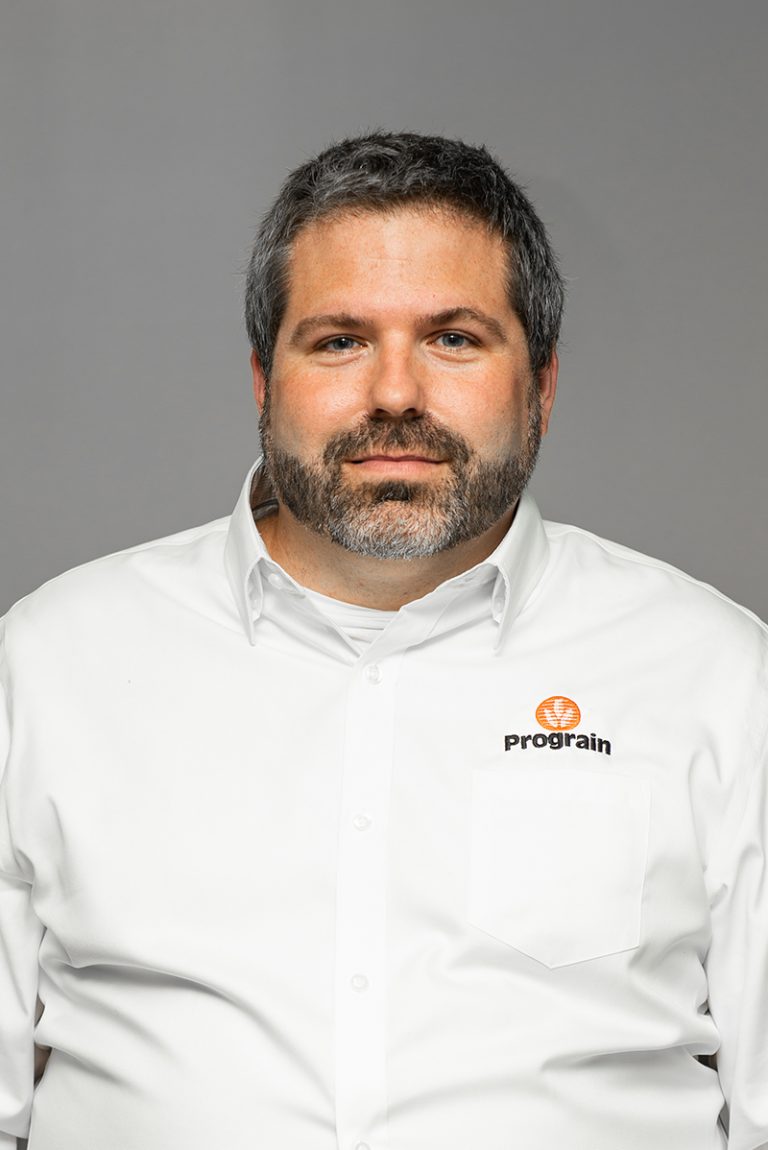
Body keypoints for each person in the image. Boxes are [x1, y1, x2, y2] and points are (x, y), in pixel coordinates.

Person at [1, 131, 766, 1150]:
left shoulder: (718, 675)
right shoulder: (49, 664)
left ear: (540, 386)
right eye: (339, 341)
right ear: (263, 382)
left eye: (453, 338)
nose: (395, 393)